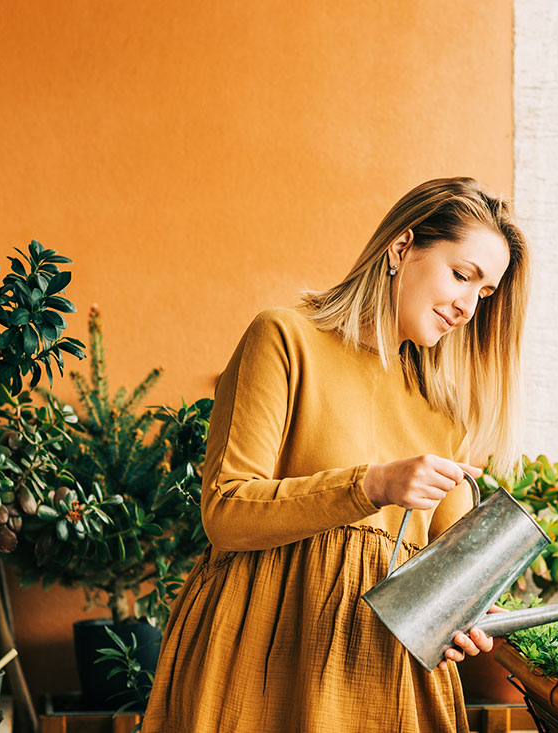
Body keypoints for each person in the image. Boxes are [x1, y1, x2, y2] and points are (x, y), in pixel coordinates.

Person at [142, 176, 530, 732]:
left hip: (381, 677)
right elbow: (225, 514)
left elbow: (444, 582)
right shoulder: (284, 338)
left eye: (485, 293)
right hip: (256, 664)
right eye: (462, 274)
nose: (469, 306)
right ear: (401, 248)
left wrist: (461, 617)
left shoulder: (442, 414)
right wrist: (372, 486)